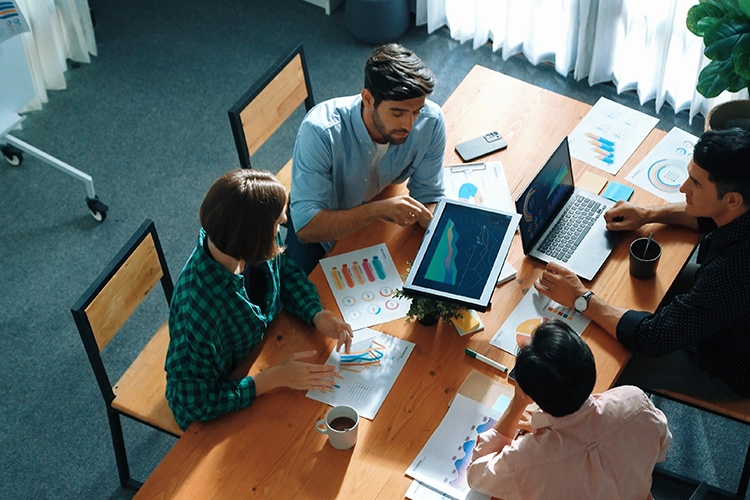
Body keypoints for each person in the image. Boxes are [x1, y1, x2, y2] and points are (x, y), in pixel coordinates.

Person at [534, 128, 750, 400]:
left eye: (696, 184)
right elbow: (707, 217)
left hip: (725, 365)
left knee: (588, 362)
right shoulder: (740, 204)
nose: (683, 188)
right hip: (725, 311)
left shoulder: (732, 272)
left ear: (732, 199)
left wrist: (580, 298)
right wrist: (648, 214)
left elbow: (653, 338)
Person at [165, 169, 354, 431]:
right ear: (252, 238)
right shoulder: (198, 310)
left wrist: (316, 314)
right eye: (278, 224)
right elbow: (193, 403)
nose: (283, 224)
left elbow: (285, 273)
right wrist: (271, 379)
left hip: (263, 350)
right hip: (228, 395)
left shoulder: (251, 239)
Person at [286, 43, 446, 274]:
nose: (409, 125)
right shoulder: (321, 131)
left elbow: (429, 195)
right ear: (368, 99)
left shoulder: (431, 121)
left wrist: (437, 230)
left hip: (376, 214)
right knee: (300, 299)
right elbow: (306, 227)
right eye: (398, 113)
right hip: (320, 223)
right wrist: (377, 211)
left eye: (416, 111)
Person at [467, 320, 671, 500]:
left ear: (529, 392)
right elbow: (661, 450)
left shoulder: (528, 461)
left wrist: (517, 404)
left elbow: (477, 476)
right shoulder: (635, 401)